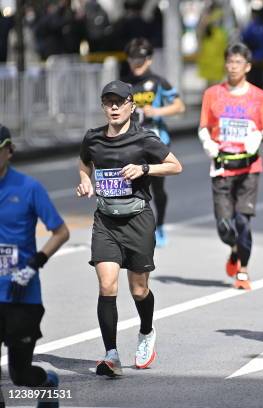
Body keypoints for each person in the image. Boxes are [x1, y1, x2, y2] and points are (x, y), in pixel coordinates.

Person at [77, 80, 182, 376]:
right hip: (106, 221)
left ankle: (146, 331)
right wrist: (86, 180)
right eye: (108, 102)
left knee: (138, 289)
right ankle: (111, 354)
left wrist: (144, 168)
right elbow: (85, 163)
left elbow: (175, 165)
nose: (113, 107)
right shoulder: (93, 138)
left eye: (119, 102)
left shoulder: (144, 139)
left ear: (131, 106)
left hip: (137, 220)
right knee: (107, 284)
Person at [0, 125, 70, 407]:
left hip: (22, 296)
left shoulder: (28, 188)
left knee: (20, 375)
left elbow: (61, 231)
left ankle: (47, 384)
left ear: (9, 151)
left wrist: (34, 265)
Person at [199, 43, 263, 290]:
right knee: (225, 227)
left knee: (243, 221)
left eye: (238, 62)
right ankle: (234, 248)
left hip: (249, 167)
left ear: (248, 66)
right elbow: (203, 126)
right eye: (230, 62)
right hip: (221, 166)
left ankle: (242, 271)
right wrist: (207, 142)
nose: (233, 67)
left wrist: (259, 137)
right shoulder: (212, 94)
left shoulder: (259, 96)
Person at [123, 38, 186, 247]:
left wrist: (156, 111)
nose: (136, 64)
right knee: (132, 185)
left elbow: (179, 106)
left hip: (157, 141)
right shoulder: (125, 84)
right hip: (131, 142)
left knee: (157, 188)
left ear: (149, 60)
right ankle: (135, 227)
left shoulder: (159, 82)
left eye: (140, 59)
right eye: (133, 59)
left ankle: (159, 226)